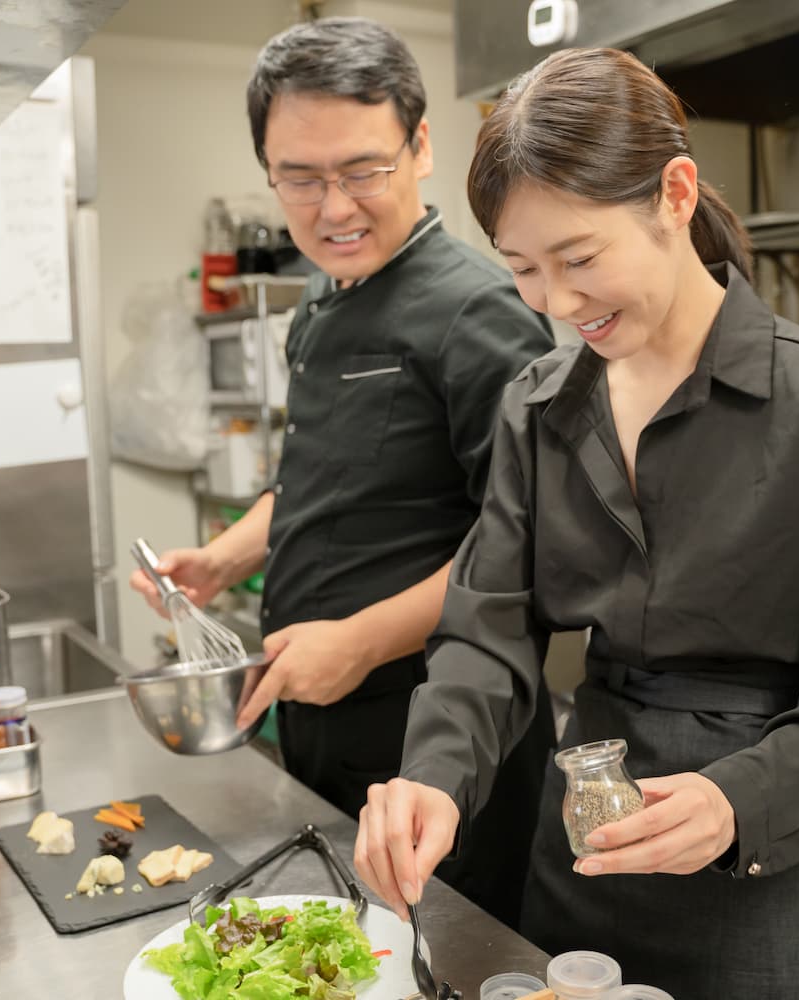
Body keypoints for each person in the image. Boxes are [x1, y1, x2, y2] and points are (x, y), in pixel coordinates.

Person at [353, 47, 799, 997]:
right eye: (524, 270)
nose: (558, 301)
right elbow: (488, 632)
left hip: (755, 867)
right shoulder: (538, 405)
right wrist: (431, 776)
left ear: (675, 192)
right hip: (580, 846)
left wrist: (734, 797)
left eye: (579, 257)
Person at [130, 17, 556, 930]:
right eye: (302, 177)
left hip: (436, 747)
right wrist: (223, 558)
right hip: (321, 723)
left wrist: (358, 640)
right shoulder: (321, 305)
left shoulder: (482, 313)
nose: (334, 208)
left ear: (422, 145)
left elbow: (524, 551)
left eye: (364, 170)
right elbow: (323, 479)